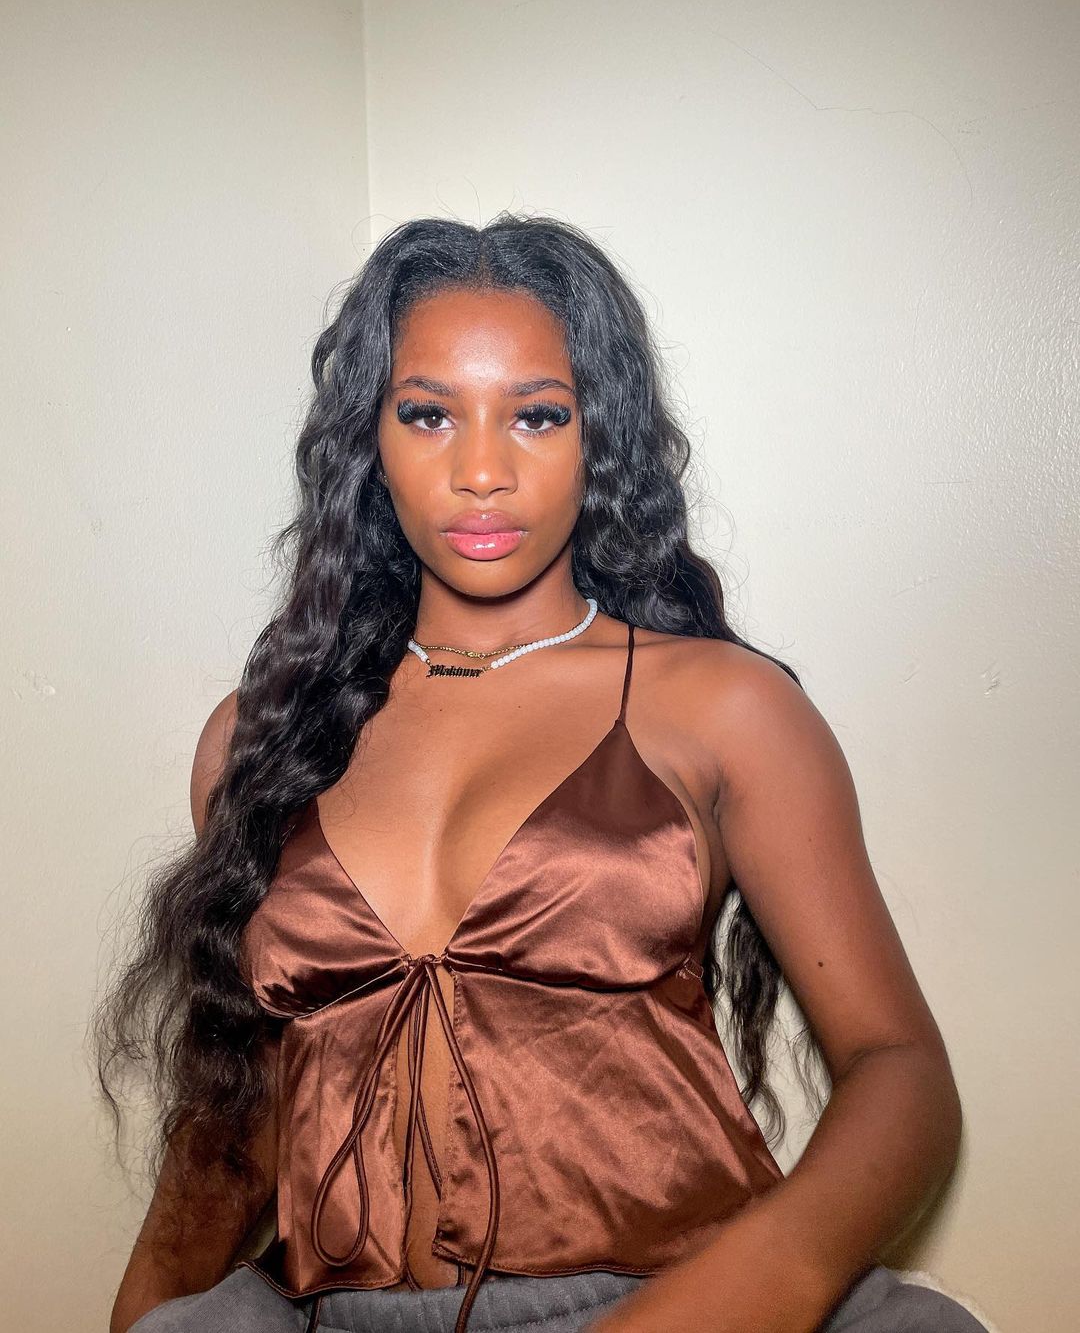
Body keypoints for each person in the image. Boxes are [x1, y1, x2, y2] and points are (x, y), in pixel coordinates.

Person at [95, 213, 989, 1333]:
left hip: (685, 1303)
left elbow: (899, 1070)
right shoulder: (262, 738)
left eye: (537, 415)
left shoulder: (722, 708)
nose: (481, 471)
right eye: (429, 414)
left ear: (598, 435)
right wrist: (147, 1316)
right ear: (370, 441)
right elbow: (242, 1108)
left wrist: (740, 1296)